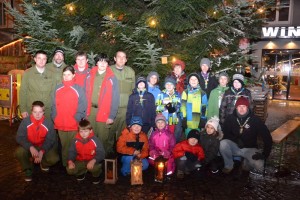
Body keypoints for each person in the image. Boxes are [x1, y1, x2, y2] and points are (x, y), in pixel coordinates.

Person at [220, 96, 272, 174]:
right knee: (223, 144)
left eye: (244, 106)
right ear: (236, 107)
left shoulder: (255, 120)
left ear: (247, 107)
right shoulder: (230, 118)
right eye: (239, 106)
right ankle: (229, 165)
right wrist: (236, 140)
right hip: (235, 147)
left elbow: (267, 137)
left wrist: (265, 154)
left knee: (259, 166)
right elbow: (226, 134)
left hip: (250, 148)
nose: (241, 109)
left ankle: (246, 164)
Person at [51, 66, 87, 167]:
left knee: (73, 145)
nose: (66, 77)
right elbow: (53, 104)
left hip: (73, 123)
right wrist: (55, 117)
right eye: (64, 75)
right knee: (64, 145)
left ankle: (74, 164)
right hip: (60, 122)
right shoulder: (57, 88)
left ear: (73, 75)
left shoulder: (78, 89)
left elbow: (82, 105)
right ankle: (65, 164)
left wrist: (77, 118)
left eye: (69, 75)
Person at [15, 101, 59, 182]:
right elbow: (19, 137)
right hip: (30, 145)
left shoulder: (48, 123)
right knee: (19, 152)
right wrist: (30, 147)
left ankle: (43, 163)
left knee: (54, 158)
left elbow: (51, 140)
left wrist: (42, 151)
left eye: (40, 112)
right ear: (31, 111)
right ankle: (28, 168)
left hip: (42, 146)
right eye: (35, 112)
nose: (37, 115)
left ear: (44, 112)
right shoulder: (25, 122)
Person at [86, 53, 119, 156]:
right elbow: (84, 93)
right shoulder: (89, 75)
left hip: (104, 112)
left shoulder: (112, 78)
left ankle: (101, 160)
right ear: (96, 62)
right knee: (89, 136)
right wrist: (84, 113)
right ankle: (89, 157)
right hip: (90, 111)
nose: (102, 63)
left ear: (108, 64)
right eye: (100, 61)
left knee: (102, 138)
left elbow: (115, 98)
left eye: (105, 61)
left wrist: (111, 116)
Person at [19, 50, 56, 119]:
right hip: (32, 109)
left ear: (46, 60)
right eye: (39, 58)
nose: (41, 61)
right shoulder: (28, 73)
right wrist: (23, 109)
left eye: (44, 59)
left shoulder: (51, 74)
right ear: (35, 59)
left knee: (47, 129)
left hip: (47, 110)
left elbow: (54, 93)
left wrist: (54, 109)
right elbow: (23, 92)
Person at [66, 119, 105, 184]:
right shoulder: (75, 140)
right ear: (78, 131)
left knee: (95, 168)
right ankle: (81, 172)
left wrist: (93, 161)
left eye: (86, 131)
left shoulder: (95, 140)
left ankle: (96, 175)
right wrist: (70, 161)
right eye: (81, 131)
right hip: (80, 160)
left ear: (90, 131)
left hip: (92, 160)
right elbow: (71, 152)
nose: (83, 134)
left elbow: (101, 153)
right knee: (69, 170)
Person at [110, 51, 135, 141]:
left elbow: (133, 90)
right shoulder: (109, 70)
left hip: (125, 109)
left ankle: (121, 153)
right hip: (111, 109)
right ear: (115, 58)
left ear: (126, 59)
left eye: (123, 57)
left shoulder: (130, 72)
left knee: (123, 134)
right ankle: (108, 153)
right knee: (109, 133)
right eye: (119, 57)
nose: (121, 59)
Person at [156, 76, 181, 141]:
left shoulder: (177, 94)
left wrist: (169, 106)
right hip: (163, 120)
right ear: (165, 85)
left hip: (172, 119)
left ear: (174, 86)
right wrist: (165, 107)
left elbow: (178, 107)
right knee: (162, 135)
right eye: (167, 84)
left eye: (171, 84)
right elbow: (157, 107)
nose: (169, 86)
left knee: (170, 136)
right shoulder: (161, 94)